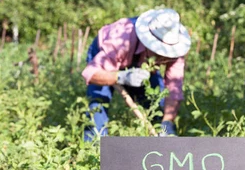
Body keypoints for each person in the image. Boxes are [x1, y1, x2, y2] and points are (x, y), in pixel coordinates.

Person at [81, 8, 191, 141]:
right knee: (98, 105)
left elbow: (174, 90)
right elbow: (90, 73)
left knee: (155, 104)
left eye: (166, 55)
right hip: (106, 59)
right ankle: (94, 149)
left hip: (139, 62)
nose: (162, 59)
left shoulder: (176, 50)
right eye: (159, 53)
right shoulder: (121, 39)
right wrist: (121, 77)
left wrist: (167, 122)